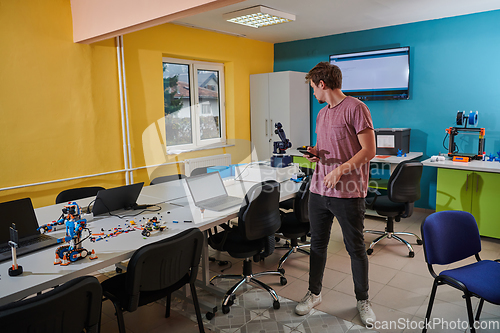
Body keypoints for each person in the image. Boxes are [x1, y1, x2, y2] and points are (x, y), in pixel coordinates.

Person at [295, 62, 376, 326]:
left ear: (322, 84)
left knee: (355, 249)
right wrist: (315, 152)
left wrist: (341, 170)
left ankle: (363, 300)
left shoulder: (356, 108)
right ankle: (314, 294)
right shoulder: (321, 114)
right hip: (319, 190)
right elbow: (325, 146)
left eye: (312, 87)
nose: (313, 94)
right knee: (317, 245)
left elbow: (369, 151)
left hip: (349, 192)